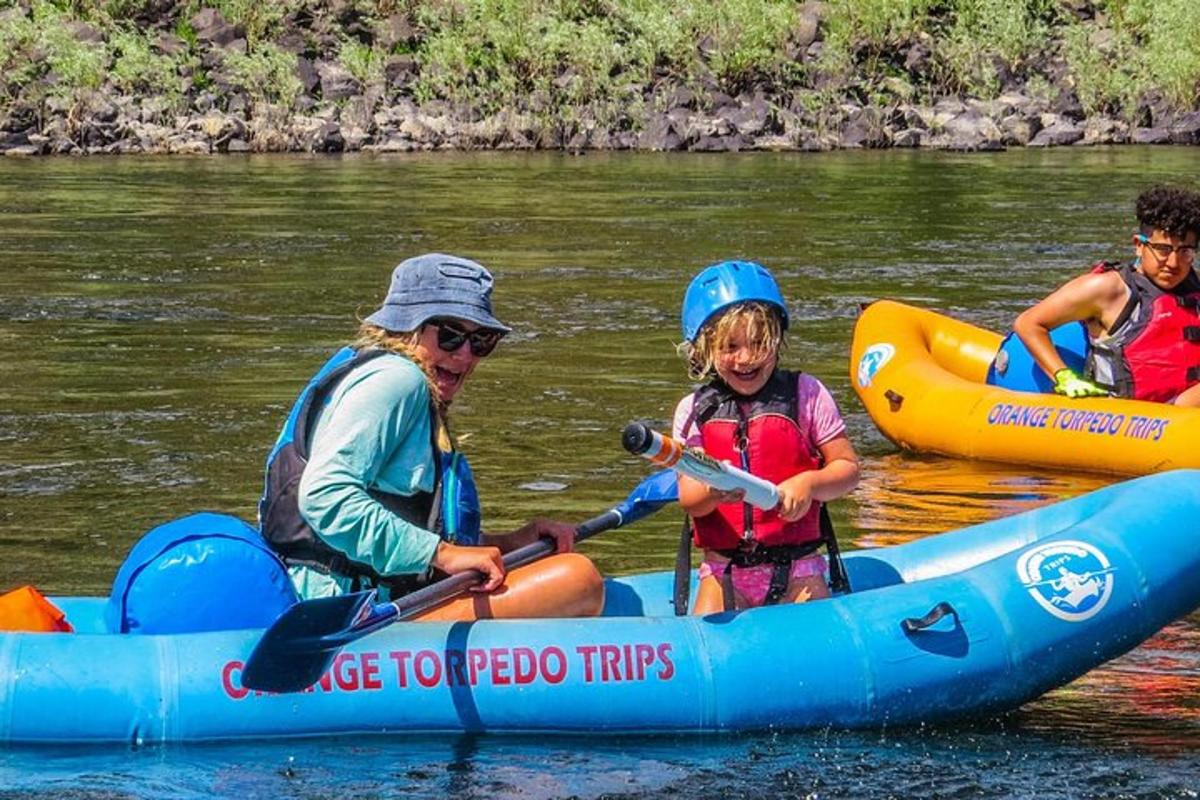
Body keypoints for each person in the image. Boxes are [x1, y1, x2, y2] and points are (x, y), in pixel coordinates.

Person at [259, 253, 604, 620]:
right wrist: (443, 554)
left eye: (482, 341)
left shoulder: (376, 371)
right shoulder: (397, 381)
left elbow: (415, 532)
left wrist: (511, 543)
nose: (466, 355)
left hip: (366, 600)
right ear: (407, 329)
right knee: (578, 580)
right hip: (344, 617)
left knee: (562, 571)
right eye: (450, 336)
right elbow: (324, 496)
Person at [671, 260, 860, 614]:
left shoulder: (807, 394)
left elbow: (848, 469)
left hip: (800, 570)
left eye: (759, 343)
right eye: (730, 347)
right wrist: (712, 489)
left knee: (816, 643)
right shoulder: (693, 410)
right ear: (705, 351)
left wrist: (810, 483)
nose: (746, 358)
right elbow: (689, 499)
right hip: (723, 570)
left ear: (778, 339)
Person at [1013, 185, 1200, 406]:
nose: (1173, 263)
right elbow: (1028, 323)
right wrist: (1063, 376)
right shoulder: (1108, 289)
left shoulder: (1193, 290)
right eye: (1163, 249)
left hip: (1181, 413)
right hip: (1126, 418)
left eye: (1185, 251)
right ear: (1139, 246)